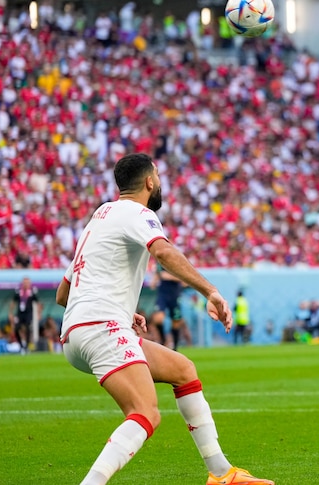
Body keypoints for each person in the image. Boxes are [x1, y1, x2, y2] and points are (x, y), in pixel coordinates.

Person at [54, 153, 272, 485]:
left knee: (182, 370)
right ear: (149, 182)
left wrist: (123, 310)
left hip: (80, 330)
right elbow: (164, 252)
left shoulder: (100, 215)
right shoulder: (137, 213)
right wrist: (211, 292)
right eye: (158, 175)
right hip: (101, 328)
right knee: (145, 413)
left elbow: (62, 294)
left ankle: (220, 472)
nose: (160, 181)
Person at [152, 261, 188, 350]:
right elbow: (158, 274)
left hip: (174, 295)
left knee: (176, 321)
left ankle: (175, 348)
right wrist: (154, 282)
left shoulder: (177, 262)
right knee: (158, 318)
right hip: (162, 294)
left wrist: (170, 276)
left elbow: (185, 282)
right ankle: (163, 340)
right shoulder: (159, 262)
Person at [10, 276, 41, 354]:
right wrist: (10, 313)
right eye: (25, 282)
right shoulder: (18, 291)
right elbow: (13, 302)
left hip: (28, 313)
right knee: (16, 328)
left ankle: (26, 346)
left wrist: (38, 313)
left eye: (27, 282)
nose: (26, 284)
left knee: (28, 328)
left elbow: (38, 303)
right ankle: (21, 345)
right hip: (20, 313)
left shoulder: (32, 291)